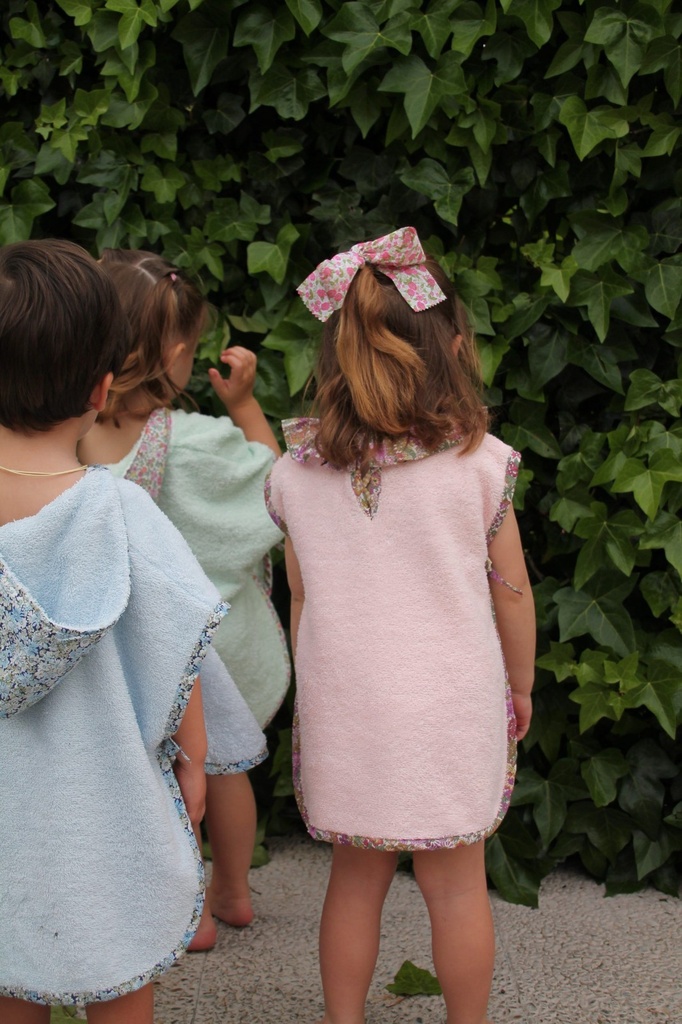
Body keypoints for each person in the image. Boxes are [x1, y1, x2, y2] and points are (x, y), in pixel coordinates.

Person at [265, 227, 536, 1024]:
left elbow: (301, 597)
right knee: (456, 888)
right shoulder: (480, 466)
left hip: (350, 706)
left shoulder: (294, 476)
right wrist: (521, 685)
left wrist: (318, 683)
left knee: (354, 882)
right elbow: (512, 593)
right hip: (452, 704)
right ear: (455, 348)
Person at [0, 239, 236, 1022]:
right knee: (124, 958)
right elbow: (179, 644)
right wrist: (193, 762)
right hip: (106, 795)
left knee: (11, 969)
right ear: (103, 386)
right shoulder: (121, 513)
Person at [78, 249, 290, 950]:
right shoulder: (191, 444)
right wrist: (244, 405)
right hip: (193, 652)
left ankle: (185, 911)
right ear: (174, 356)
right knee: (221, 768)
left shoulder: (61, 434)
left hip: (107, 651)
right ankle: (230, 892)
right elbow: (274, 488)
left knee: (150, 780)